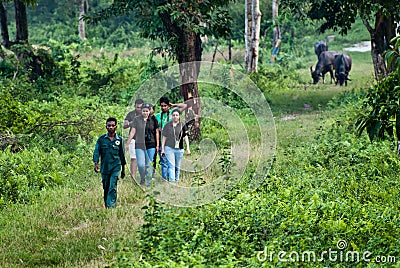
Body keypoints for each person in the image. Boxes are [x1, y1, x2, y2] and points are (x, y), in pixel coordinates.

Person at [93, 117, 126, 208]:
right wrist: (96, 163)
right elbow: (97, 151)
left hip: (116, 167)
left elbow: (122, 155)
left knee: (113, 186)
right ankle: (107, 204)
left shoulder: (120, 140)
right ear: (106, 127)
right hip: (105, 167)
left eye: (113, 125)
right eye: (109, 126)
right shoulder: (101, 139)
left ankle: (111, 205)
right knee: (106, 186)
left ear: (116, 127)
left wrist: (123, 170)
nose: (111, 127)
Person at [126, 103, 159, 186]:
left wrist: (157, 144)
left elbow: (156, 132)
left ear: (149, 111)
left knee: (149, 164)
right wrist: (128, 143)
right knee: (140, 164)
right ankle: (142, 177)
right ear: (141, 111)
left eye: (147, 111)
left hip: (151, 144)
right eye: (143, 111)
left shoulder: (153, 119)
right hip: (139, 144)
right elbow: (133, 131)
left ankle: (148, 182)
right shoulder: (137, 119)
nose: (145, 113)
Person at [155, 97, 187, 180]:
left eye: (165, 106)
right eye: (162, 106)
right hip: (163, 141)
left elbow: (184, 106)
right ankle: (165, 179)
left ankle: (171, 179)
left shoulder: (173, 114)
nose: (163, 107)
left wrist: (174, 105)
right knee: (164, 163)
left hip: (174, 143)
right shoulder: (157, 116)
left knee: (172, 164)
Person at [161, 109, 190, 182]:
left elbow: (185, 137)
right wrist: (162, 149)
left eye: (176, 115)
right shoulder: (167, 125)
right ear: (172, 116)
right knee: (171, 165)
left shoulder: (182, 125)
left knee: (177, 166)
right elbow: (164, 137)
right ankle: (172, 182)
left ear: (179, 116)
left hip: (179, 149)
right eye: (173, 115)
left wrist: (187, 148)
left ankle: (176, 181)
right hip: (169, 148)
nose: (175, 117)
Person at [123, 99, 144, 180]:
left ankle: (144, 176)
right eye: (137, 107)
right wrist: (132, 123)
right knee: (133, 158)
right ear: (135, 106)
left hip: (143, 139)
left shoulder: (145, 113)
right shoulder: (131, 114)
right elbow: (124, 125)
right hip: (133, 139)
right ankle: (133, 177)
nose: (139, 109)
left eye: (140, 107)